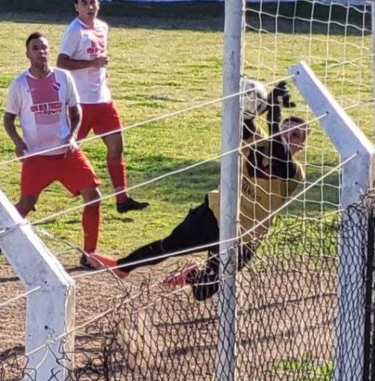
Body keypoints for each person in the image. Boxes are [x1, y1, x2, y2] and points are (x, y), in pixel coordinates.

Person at [113, 112, 309, 300]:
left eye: (294, 135)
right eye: (284, 129)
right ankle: (120, 267)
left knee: (205, 291)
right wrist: (248, 107)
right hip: (215, 213)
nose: (286, 135)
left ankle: (190, 275)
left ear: (301, 146)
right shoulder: (259, 142)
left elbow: (282, 162)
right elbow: (244, 122)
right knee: (169, 246)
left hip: (246, 235)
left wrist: (272, 121)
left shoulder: (296, 173)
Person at [0, 32, 112, 270]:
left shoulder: (63, 78)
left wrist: (72, 136)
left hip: (66, 154)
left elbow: (76, 111)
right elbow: (8, 118)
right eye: (35, 48)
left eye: (44, 48)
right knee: (25, 204)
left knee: (93, 197)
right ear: (27, 53)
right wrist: (18, 142)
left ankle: (89, 254)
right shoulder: (20, 84)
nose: (41, 52)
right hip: (36, 157)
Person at [57, 0, 149, 214]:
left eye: (94, 3)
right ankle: (35, 190)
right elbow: (61, 62)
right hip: (81, 102)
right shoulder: (74, 31)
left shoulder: (103, 28)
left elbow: (99, 60)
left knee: (117, 146)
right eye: (85, 3)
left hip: (103, 100)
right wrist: (92, 64)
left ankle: (122, 198)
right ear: (76, 6)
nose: (90, 7)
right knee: (64, 152)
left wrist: (102, 74)